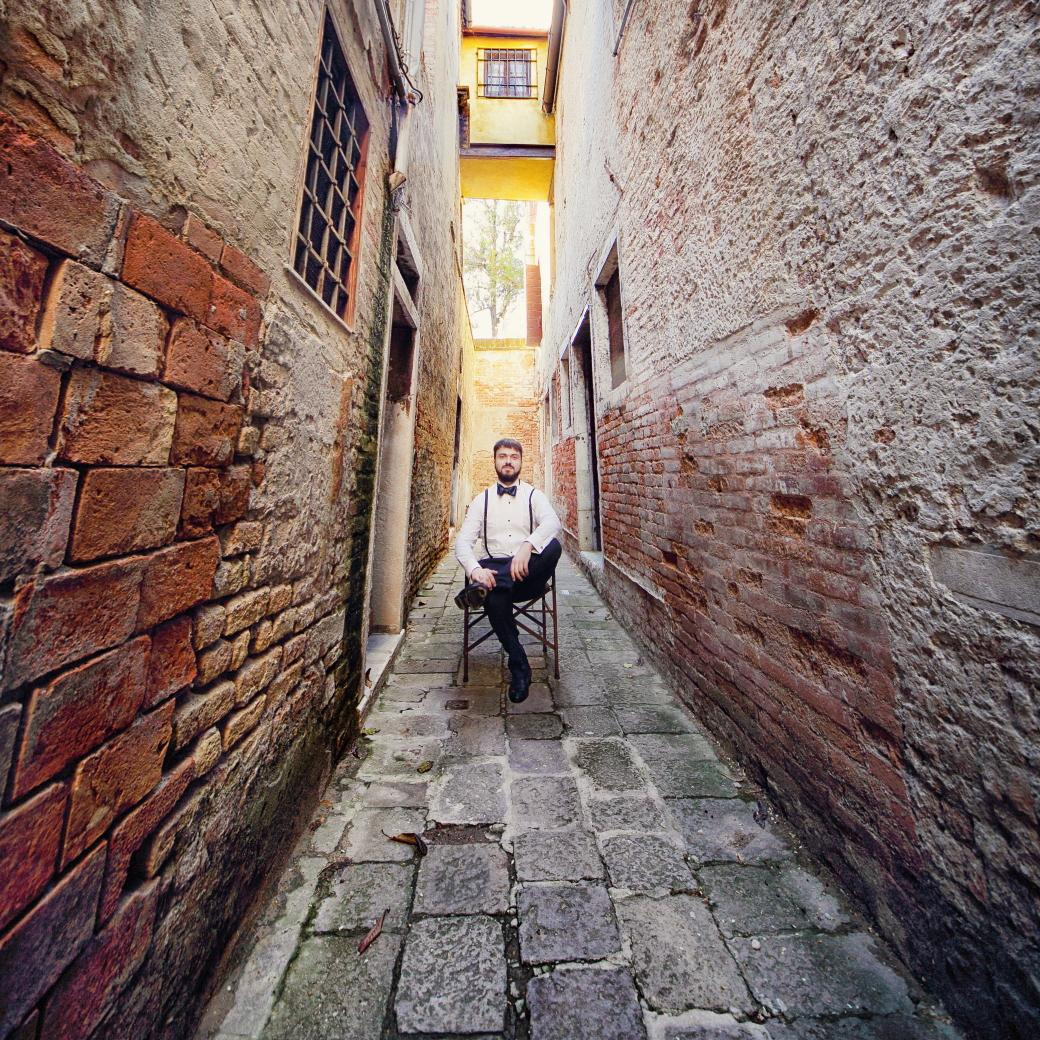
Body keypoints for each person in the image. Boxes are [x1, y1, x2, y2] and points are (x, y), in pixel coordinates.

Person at [455, 438, 562, 702]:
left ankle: (480, 590)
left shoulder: (534, 496)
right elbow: (462, 543)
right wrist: (474, 569)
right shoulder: (482, 500)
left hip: (528, 573)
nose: (508, 461)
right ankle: (520, 667)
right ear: (494, 461)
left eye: (514, 456)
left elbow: (552, 522)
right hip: (494, 569)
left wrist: (528, 546)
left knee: (555, 546)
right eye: (502, 456)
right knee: (496, 595)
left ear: (521, 462)